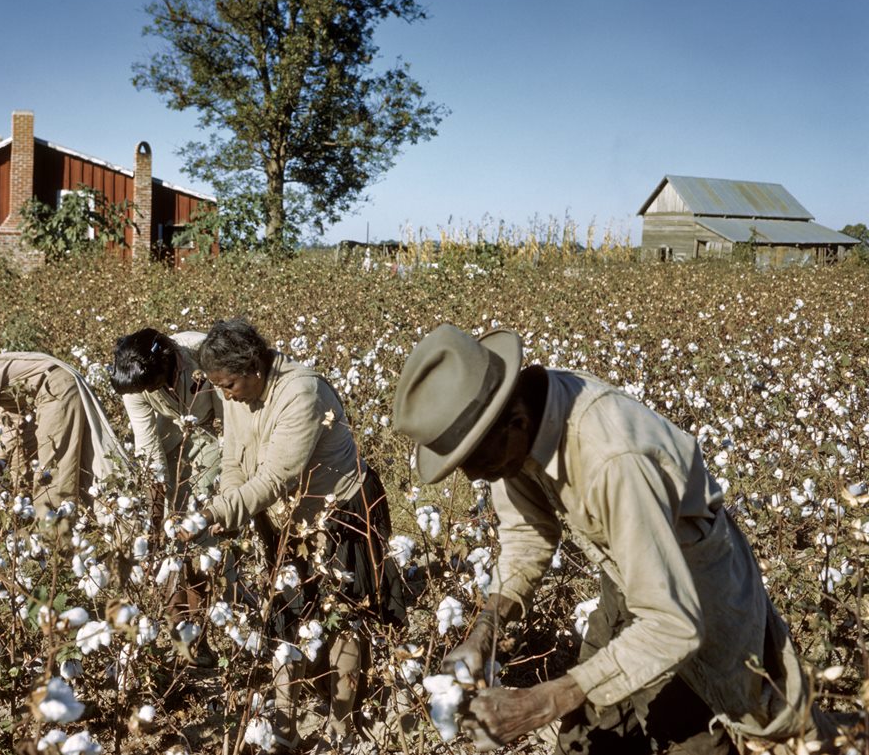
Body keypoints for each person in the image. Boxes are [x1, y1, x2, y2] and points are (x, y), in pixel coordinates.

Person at [392, 324, 822, 754]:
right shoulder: (514, 426)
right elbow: (527, 539)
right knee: (588, 732)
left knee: (707, 732)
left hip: (697, 586)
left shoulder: (611, 460)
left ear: (515, 422)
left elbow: (672, 624)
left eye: (477, 461)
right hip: (626, 572)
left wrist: (546, 700)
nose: (473, 476)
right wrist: (484, 631)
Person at [189, 319, 406, 753]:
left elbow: (277, 477)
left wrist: (218, 510)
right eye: (219, 386)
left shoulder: (301, 391)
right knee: (285, 614)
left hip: (342, 510)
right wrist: (228, 505)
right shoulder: (233, 390)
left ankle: (341, 726)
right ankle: (284, 724)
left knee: (346, 616)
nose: (225, 395)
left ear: (253, 368)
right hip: (287, 517)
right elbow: (234, 458)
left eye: (229, 384)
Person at [110, 328, 224, 665]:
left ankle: (200, 635)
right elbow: (150, 450)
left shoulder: (204, 352)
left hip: (208, 438)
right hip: (170, 442)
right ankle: (181, 638)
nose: (146, 393)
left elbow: (228, 422)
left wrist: (229, 486)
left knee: (201, 538)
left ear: (171, 367)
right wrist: (156, 524)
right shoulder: (134, 379)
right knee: (173, 545)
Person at [0, 351, 128, 519]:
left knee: (52, 477)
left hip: (55, 391)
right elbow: (14, 429)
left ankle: (56, 546)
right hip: (61, 385)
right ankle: (105, 519)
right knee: (82, 465)